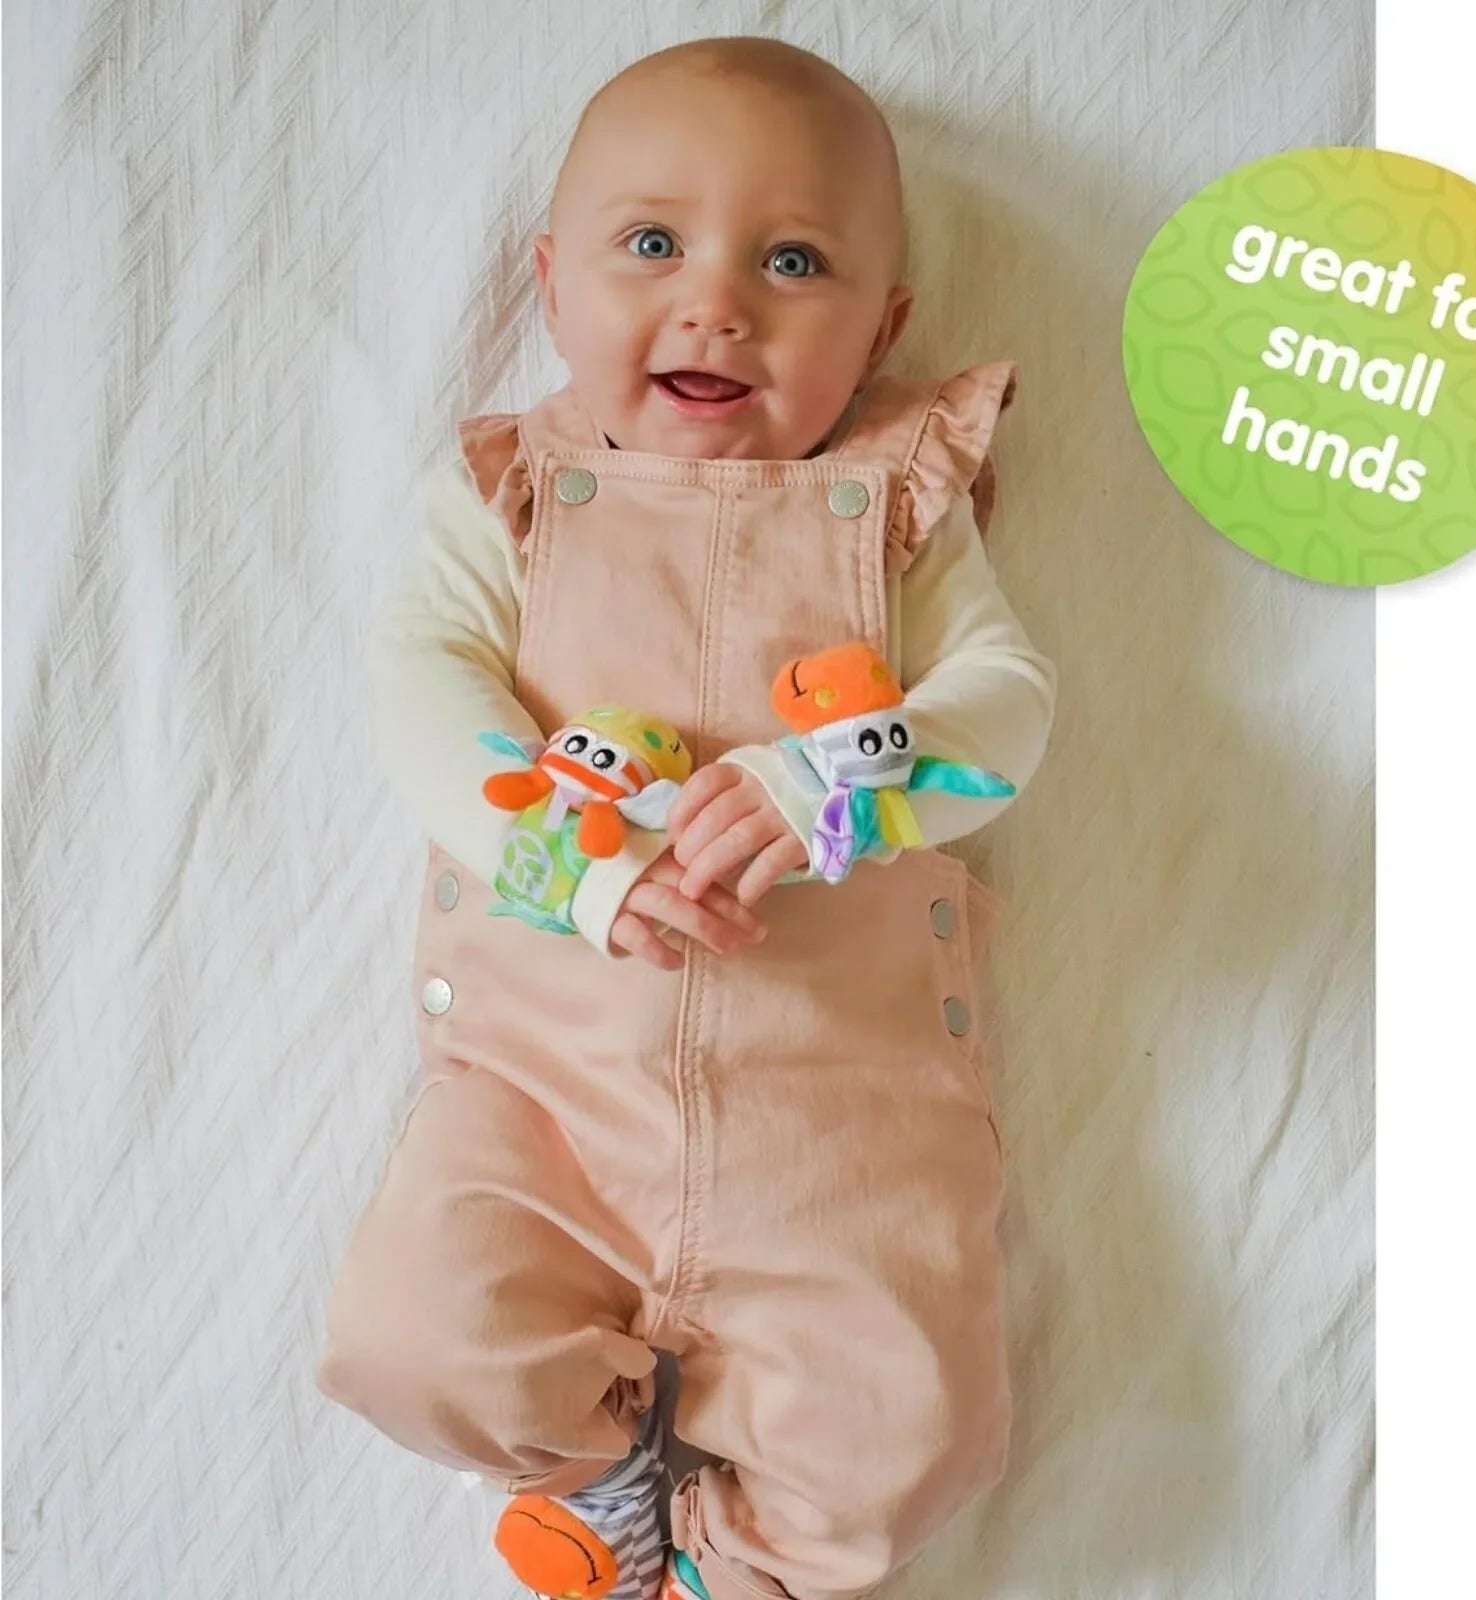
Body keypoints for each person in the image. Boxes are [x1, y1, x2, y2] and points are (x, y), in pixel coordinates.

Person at [316, 34, 1057, 1600]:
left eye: (793, 262)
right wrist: (574, 861)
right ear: (550, 284)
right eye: (652, 243)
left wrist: (830, 779)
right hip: (547, 1099)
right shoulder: (522, 492)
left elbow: (1007, 704)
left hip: (841, 1117)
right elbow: (420, 682)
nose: (718, 303)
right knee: (408, 1343)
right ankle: (600, 1482)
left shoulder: (895, 502)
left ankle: (741, 1570)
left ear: (884, 325)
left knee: (915, 1432)